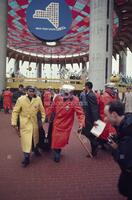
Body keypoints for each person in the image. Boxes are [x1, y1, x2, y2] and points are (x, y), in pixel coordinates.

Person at [11, 86, 46, 167]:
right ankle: (26, 158)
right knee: (26, 141)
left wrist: (43, 120)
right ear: (27, 91)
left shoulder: (38, 99)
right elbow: (15, 111)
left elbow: (42, 111)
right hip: (25, 123)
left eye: (33, 91)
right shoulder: (21, 99)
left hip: (34, 123)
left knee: (34, 139)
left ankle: (36, 150)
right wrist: (14, 122)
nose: (31, 93)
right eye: (30, 91)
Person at [49, 84, 85, 162]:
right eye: (63, 92)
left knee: (62, 139)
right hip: (57, 122)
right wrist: (48, 116)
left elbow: (80, 113)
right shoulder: (58, 98)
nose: (64, 95)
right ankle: (56, 151)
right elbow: (52, 107)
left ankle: (58, 149)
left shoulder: (75, 100)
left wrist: (81, 124)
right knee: (55, 138)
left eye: (66, 93)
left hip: (66, 123)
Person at [104, 101, 132, 200]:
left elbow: (124, 159)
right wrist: (116, 137)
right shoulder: (125, 121)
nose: (105, 119)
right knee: (123, 188)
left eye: (106, 116)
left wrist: (115, 148)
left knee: (125, 189)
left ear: (114, 114)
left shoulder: (128, 131)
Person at [81, 81, 100, 156]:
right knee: (91, 134)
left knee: (88, 133)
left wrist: (96, 120)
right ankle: (94, 151)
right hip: (90, 117)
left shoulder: (90, 95)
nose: (84, 88)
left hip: (90, 119)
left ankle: (95, 145)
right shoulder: (89, 94)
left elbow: (94, 108)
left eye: (85, 86)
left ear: (87, 87)